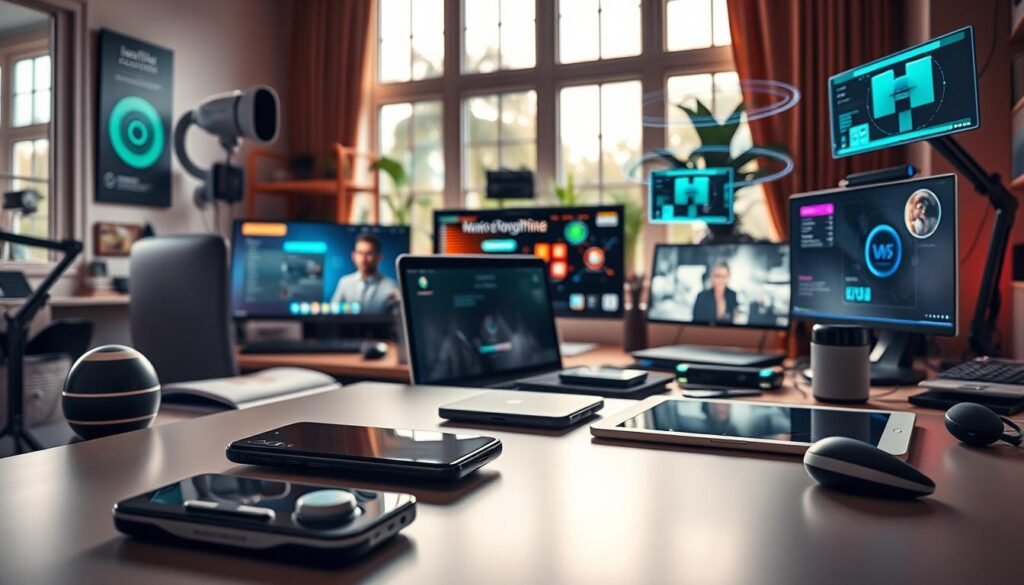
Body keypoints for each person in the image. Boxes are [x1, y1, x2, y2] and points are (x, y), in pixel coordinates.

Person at [330, 233, 398, 314]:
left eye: (369, 253)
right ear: (353, 256)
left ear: (378, 257)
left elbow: (397, 318)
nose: (363, 259)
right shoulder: (345, 282)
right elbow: (333, 313)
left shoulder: (391, 286)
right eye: (360, 253)